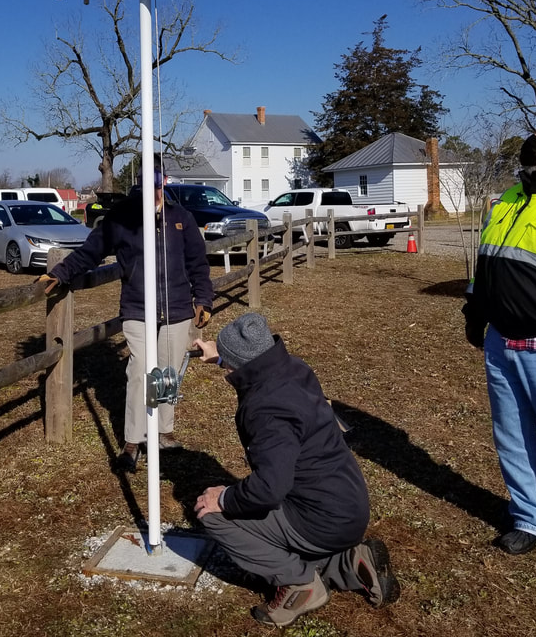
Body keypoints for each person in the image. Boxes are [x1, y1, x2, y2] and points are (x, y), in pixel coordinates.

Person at [192, 312, 399, 627]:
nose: (228, 371)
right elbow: (253, 368)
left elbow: (268, 489)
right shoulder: (294, 368)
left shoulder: (266, 410)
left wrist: (223, 499)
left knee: (212, 514)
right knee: (261, 504)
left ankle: (299, 584)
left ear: (241, 363)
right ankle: (349, 562)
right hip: (349, 502)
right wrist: (222, 357)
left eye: (230, 364)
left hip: (321, 519)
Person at [38, 157, 213, 472]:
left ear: (165, 183)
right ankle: (133, 440)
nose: (155, 189)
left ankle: (162, 430)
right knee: (140, 371)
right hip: (137, 309)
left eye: (159, 183)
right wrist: (62, 273)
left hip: (176, 310)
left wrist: (203, 300)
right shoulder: (122, 218)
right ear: (140, 181)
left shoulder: (180, 218)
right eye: (149, 181)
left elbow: (198, 263)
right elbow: (93, 249)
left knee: (167, 374)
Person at [463, 115, 536, 555]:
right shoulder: (507, 199)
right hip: (501, 344)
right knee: (512, 438)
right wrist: (473, 313)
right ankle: (533, 518)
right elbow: (486, 267)